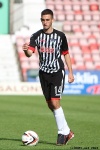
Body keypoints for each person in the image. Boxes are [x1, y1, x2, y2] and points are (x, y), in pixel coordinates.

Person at [22, 9, 74, 145]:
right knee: (50, 104)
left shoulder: (60, 36)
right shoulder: (36, 36)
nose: (45, 22)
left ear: (52, 20)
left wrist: (70, 72)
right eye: (43, 20)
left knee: (55, 102)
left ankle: (62, 134)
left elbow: (66, 53)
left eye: (47, 20)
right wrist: (26, 50)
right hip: (43, 73)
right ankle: (67, 131)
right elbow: (30, 53)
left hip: (57, 72)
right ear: (41, 20)